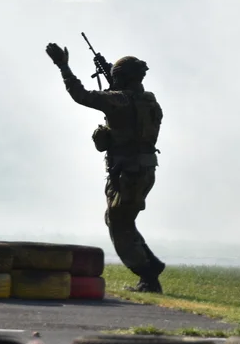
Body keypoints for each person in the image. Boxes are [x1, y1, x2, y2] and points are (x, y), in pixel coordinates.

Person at [45, 42, 166, 293]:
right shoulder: (150, 102)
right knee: (125, 220)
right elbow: (132, 119)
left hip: (127, 172)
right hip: (143, 170)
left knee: (118, 223)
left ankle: (147, 276)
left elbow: (80, 94)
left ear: (121, 78)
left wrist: (63, 66)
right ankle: (151, 265)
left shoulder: (117, 100)